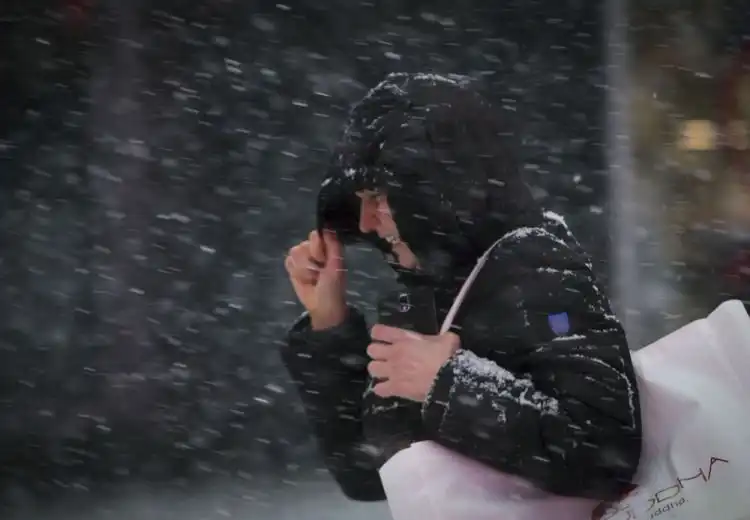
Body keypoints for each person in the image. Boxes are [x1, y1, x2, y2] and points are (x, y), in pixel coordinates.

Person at [281, 73, 642, 503]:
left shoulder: (539, 268)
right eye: (360, 201)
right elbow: (370, 473)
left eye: (377, 197)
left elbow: (605, 452)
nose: (365, 222)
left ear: (434, 190)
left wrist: (447, 384)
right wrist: (329, 323)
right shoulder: (427, 293)